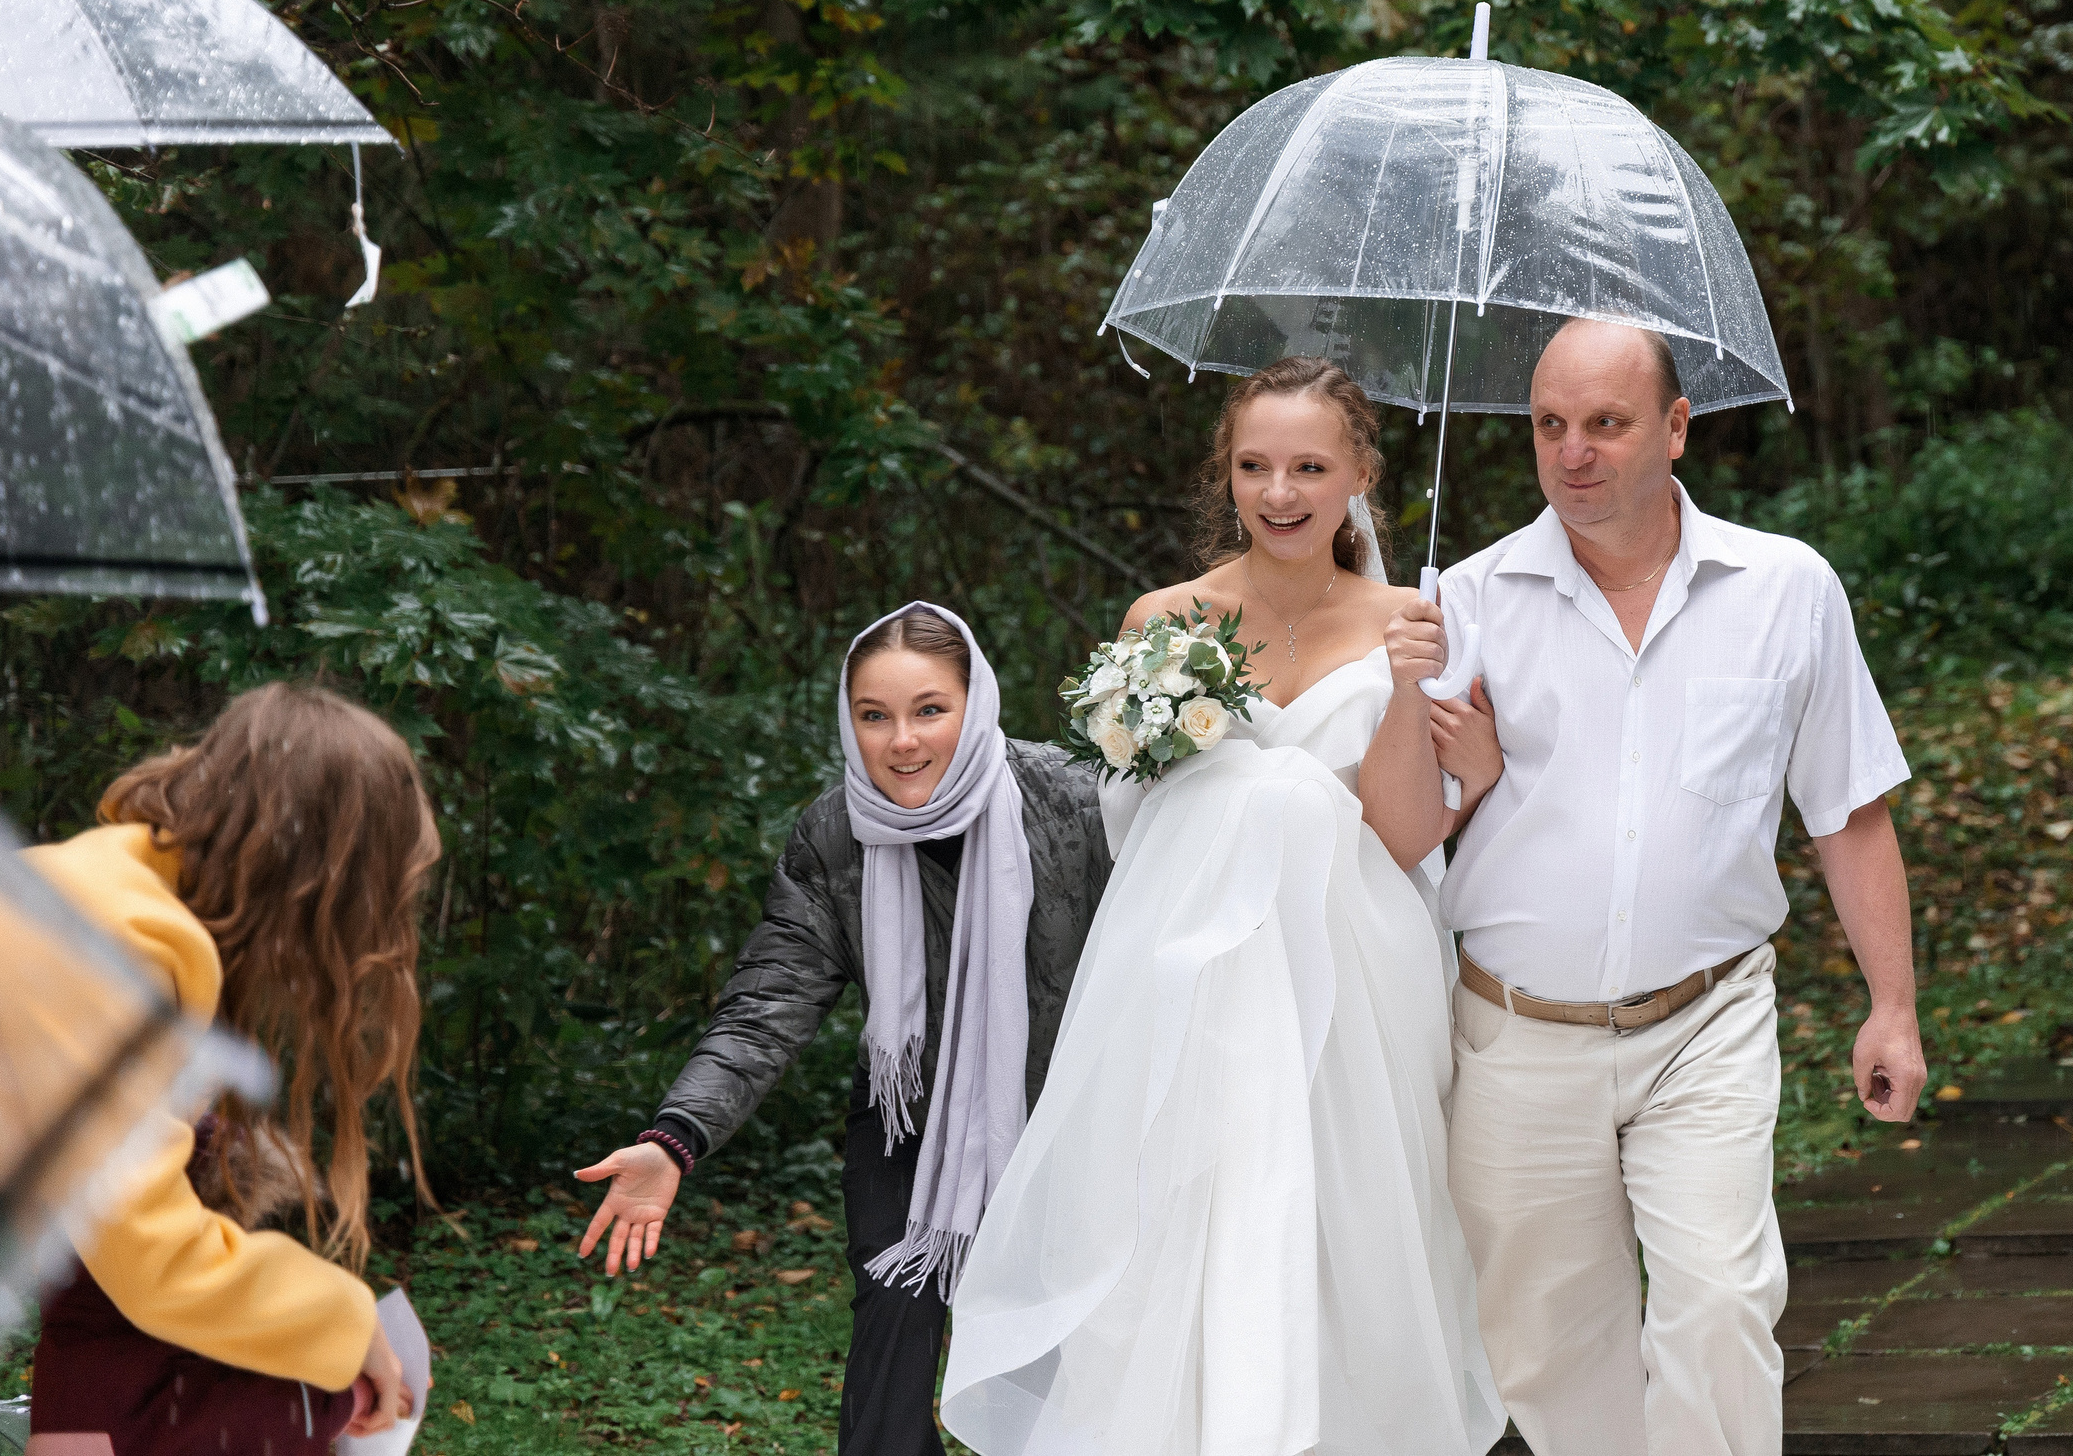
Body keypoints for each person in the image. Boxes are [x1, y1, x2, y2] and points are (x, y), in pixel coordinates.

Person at [1374, 317, 1924, 1456]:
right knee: (1543, 1345)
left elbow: (1848, 807)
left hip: (1705, 1021)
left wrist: (1894, 1006)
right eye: (1548, 426)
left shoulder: (1785, 588)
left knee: (1720, 1308)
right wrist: (1430, 730)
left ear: (1675, 429)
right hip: (1514, 1030)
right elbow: (1405, 828)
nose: (1573, 452)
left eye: (1606, 424)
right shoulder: (1464, 602)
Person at [940, 355, 1508, 1456]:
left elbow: (1396, 836)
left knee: (1334, 1221)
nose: (1279, 492)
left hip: (1350, 971)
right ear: (1226, 476)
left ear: (1358, 476)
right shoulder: (1162, 619)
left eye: (1307, 465)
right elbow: (1131, 818)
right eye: (1254, 465)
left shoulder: (1415, 620)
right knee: (1184, 1221)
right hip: (1191, 972)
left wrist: (1407, 686)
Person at [574, 601, 1112, 1456]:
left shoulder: (1074, 797)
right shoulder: (835, 835)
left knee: (1068, 1357)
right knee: (894, 1323)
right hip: (909, 1119)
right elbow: (767, 1001)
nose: (902, 740)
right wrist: (675, 1137)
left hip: (1063, 1123)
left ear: (977, 705)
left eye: (929, 709)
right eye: (875, 715)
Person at [25, 682, 434, 1452]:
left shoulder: (102, 891)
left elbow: (108, 1250)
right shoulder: (118, 954)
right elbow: (155, 1259)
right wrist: (347, 1328)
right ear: (314, 886)